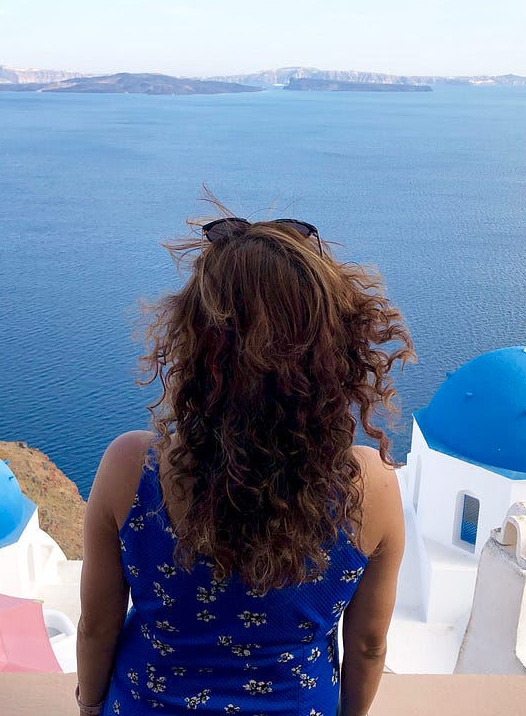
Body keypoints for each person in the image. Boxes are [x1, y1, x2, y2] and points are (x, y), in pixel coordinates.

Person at [77, 208, 415, 716]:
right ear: (334, 346)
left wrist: (89, 708)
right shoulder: (370, 486)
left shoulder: (132, 466)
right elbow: (369, 646)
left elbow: (96, 626)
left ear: (193, 342)